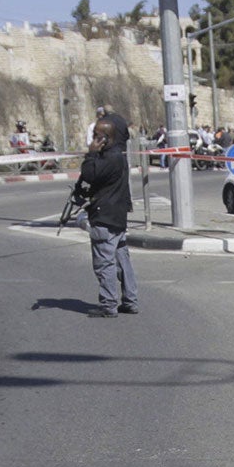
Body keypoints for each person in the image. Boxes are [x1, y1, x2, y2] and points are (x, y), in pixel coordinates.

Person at [72, 112, 138, 317]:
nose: (94, 140)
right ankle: (130, 300)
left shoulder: (109, 158)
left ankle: (109, 304)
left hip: (104, 216)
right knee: (122, 259)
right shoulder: (117, 155)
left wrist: (91, 153)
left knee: (104, 262)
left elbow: (90, 175)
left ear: (105, 139)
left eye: (97, 136)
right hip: (117, 215)